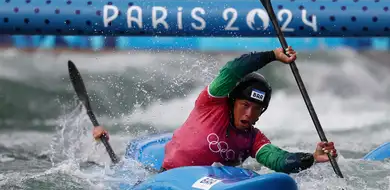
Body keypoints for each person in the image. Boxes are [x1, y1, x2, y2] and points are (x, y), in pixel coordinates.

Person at [93, 47, 338, 174]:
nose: (249, 115)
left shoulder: (253, 139)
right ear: (232, 102)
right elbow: (233, 71)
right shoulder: (211, 104)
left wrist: (311, 158)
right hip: (165, 176)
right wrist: (272, 55)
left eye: (257, 109)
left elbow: (278, 160)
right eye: (245, 105)